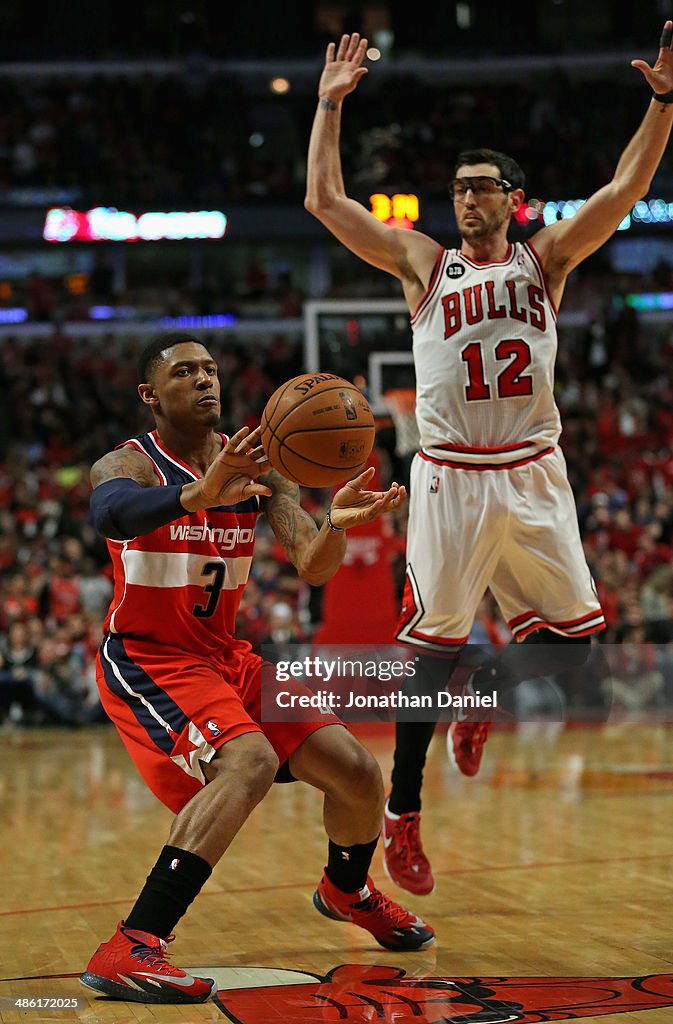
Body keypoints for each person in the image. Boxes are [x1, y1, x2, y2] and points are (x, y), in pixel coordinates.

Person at [305, 26, 673, 896]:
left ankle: (484, 688)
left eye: (479, 189)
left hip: (535, 472)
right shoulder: (421, 263)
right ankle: (402, 816)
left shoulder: (548, 261)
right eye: (457, 189)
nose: (464, 200)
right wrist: (327, 105)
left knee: (581, 655)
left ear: (513, 198)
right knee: (426, 654)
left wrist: (661, 103)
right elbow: (325, 201)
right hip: (449, 477)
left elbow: (626, 186)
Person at [79, 333, 433, 1005]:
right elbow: (109, 513)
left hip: (225, 657)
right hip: (149, 656)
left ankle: (346, 889)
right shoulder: (129, 463)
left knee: (357, 773)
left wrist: (336, 525)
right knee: (247, 763)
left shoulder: (261, 467)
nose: (204, 380)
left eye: (210, 369)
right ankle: (134, 943)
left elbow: (311, 563)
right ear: (150, 395)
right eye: (185, 373)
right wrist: (195, 496)